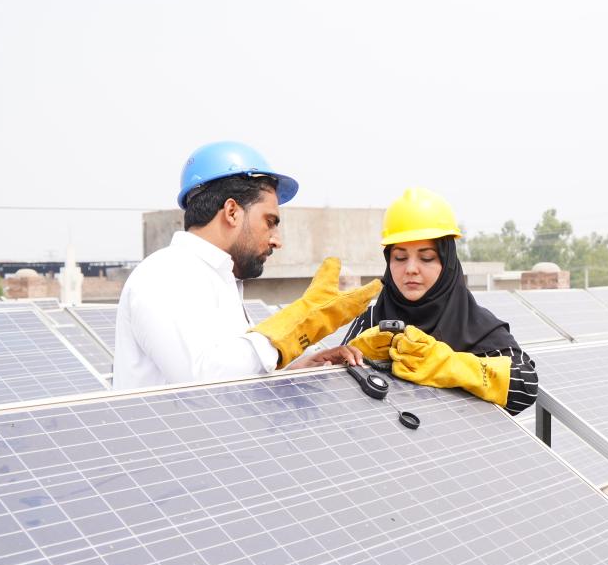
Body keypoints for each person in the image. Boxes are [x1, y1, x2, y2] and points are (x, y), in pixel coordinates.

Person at [114, 141, 380, 389]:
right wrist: (296, 326)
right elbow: (202, 380)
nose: (277, 240)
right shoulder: (165, 274)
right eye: (270, 222)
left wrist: (297, 369)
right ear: (232, 212)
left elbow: (234, 382)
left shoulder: (217, 280)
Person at [343, 187, 538, 415]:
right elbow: (330, 388)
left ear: (448, 263)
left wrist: (450, 365)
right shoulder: (372, 321)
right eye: (400, 257)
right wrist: (351, 358)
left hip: (461, 447)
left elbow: (526, 386)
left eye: (426, 258)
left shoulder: (476, 326)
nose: (411, 269)